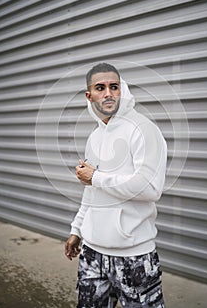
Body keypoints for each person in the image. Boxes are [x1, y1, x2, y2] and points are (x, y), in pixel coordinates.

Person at [65, 63, 167, 307]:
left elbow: (150, 188)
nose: (108, 93)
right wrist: (77, 229)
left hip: (134, 256)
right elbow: (91, 191)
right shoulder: (95, 136)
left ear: (123, 89)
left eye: (114, 87)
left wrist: (96, 177)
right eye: (100, 88)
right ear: (89, 96)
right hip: (91, 252)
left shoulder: (143, 130)